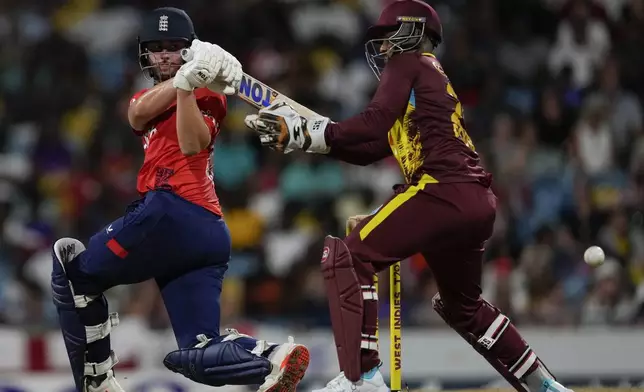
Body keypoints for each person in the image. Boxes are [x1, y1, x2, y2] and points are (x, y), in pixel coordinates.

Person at [244, 1, 574, 392]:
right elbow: (367, 148)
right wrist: (305, 139)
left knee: (348, 255)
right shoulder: (429, 81)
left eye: (386, 39)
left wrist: (311, 132)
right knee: (463, 308)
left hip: (440, 190)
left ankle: (361, 377)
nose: (382, 50)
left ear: (410, 33)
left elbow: (373, 122)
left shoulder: (410, 64)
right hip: (473, 201)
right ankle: (546, 386)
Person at [51, 7, 309, 392]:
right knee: (199, 353)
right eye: (158, 49)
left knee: (74, 273)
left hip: (170, 211)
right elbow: (137, 114)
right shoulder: (148, 96)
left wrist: (190, 85)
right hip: (205, 234)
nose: (167, 56)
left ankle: (98, 381)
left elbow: (192, 144)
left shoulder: (209, 94)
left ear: (189, 49)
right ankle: (272, 357)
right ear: (145, 54)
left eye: (175, 48)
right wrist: (186, 78)